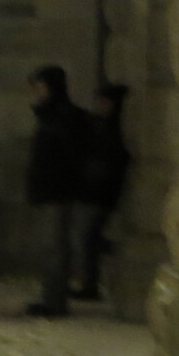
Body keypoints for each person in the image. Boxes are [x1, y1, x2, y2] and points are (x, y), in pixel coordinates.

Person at [25, 64, 92, 317]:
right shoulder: (51, 115)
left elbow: (66, 155)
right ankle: (51, 298)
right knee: (50, 247)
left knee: (55, 247)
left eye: (41, 86)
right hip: (50, 188)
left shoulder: (65, 116)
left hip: (58, 188)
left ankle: (54, 302)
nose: (38, 91)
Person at [74, 83, 131, 300]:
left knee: (89, 238)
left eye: (103, 101)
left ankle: (91, 284)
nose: (99, 105)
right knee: (89, 238)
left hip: (101, 192)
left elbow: (109, 162)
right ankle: (89, 283)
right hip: (96, 190)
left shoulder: (112, 129)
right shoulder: (101, 125)